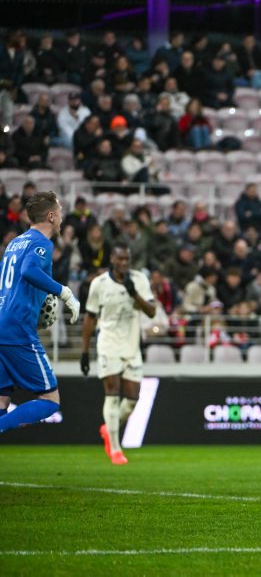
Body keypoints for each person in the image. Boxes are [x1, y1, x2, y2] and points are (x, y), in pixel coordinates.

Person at [0, 192, 81, 434]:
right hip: (17, 330)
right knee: (50, 400)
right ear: (51, 216)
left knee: (2, 400)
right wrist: (64, 292)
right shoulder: (42, 243)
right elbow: (29, 270)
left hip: (3, 323)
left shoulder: (15, 243)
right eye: (61, 212)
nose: (62, 217)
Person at [79, 244, 156, 465]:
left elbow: (152, 312)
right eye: (120, 259)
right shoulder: (99, 284)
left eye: (127, 259)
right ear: (112, 259)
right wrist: (85, 351)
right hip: (108, 344)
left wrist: (134, 294)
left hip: (131, 346)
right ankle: (115, 449)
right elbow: (90, 317)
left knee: (132, 400)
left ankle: (108, 428)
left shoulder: (139, 279)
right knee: (112, 394)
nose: (124, 263)